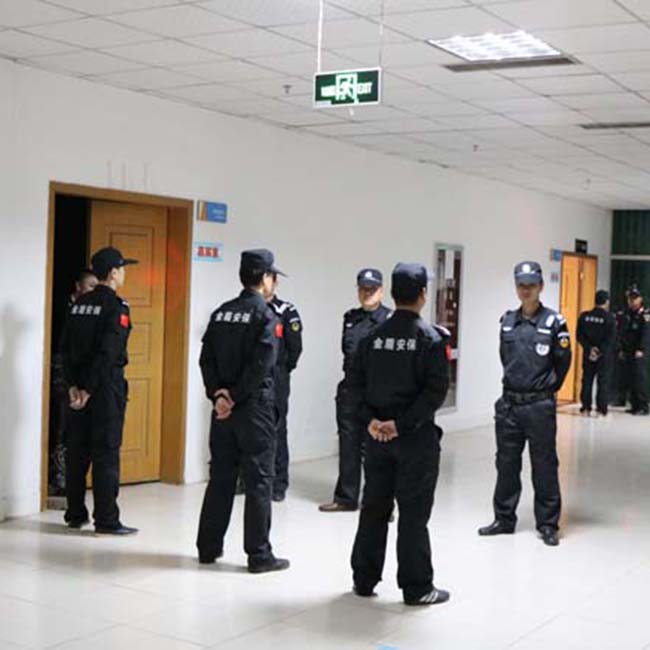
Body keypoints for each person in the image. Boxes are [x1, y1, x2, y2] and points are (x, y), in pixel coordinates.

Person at [349, 263, 450, 606]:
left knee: (373, 508)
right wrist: (401, 424)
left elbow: (354, 387)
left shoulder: (371, 338)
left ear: (392, 294)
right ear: (423, 294)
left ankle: (363, 580)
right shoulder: (431, 339)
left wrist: (372, 422)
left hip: (377, 440)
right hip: (414, 441)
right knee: (413, 514)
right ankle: (417, 587)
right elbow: (435, 393)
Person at [197, 249, 289, 573]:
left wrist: (219, 395)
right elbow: (262, 364)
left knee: (221, 477)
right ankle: (259, 555)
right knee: (259, 480)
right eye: (272, 276)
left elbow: (206, 360)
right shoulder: (266, 315)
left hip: (223, 411)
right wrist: (235, 396)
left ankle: (208, 548)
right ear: (264, 278)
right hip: (254, 410)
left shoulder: (222, 313)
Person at [479, 261, 571, 547]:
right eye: (521, 285)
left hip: (538, 406)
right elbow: (505, 358)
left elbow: (563, 363)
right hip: (509, 404)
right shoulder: (508, 321)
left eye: (531, 285)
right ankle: (504, 519)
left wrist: (545, 388)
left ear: (541, 286)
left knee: (544, 465)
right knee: (506, 464)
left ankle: (548, 524)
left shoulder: (554, 322)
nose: (526, 290)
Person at [61, 248, 138, 535]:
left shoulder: (78, 304)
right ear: (113, 273)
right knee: (106, 453)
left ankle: (75, 514)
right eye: (123, 268)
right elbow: (108, 353)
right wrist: (90, 389)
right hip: (104, 389)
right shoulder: (117, 307)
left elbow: (65, 349)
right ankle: (106, 520)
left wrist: (74, 386)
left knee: (77, 452)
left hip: (77, 391)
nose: (124, 273)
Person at [319, 269, 392, 513]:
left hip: (377, 393)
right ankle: (346, 498)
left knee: (378, 450)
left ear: (381, 291)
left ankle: (381, 503)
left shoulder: (390, 320)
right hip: (351, 391)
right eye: (363, 289)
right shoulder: (350, 318)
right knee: (348, 446)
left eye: (372, 289)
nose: (367, 293)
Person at [49, 269, 98, 497]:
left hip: (84, 378)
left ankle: (68, 479)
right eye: (90, 286)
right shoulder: (64, 309)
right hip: (61, 371)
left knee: (75, 428)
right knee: (61, 424)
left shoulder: (93, 310)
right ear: (78, 286)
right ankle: (59, 478)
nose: (93, 292)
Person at [268, 277, 303, 502]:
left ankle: (278, 483)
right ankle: (247, 478)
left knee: (277, 428)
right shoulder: (248, 309)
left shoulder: (286, 311)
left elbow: (295, 347)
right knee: (248, 429)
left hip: (276, 376)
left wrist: (282, 369)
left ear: (275, 282)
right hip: (250, 378)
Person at [577, 290, 617, 417]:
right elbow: (611, 338)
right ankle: (601, 409)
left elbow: (579, 336)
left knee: (587, 380)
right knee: (603, 381)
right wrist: (600, 350)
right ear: (606, 302)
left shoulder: (584, 316)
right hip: (604, 355)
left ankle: (586, 407)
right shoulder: (610, 318)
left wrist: (590, 348)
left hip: (588, 354)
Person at [618, 285, 650, 415]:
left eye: (635, 298)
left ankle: (643, 406)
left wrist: (641, 349)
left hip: (640, 351)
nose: (632, 301)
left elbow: (646, 334)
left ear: (640, 299)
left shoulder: (645, 315)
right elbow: (623, 333)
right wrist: (621, 349)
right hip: (628, 350)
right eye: (630, 299)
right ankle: (634, 404)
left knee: (639, 379)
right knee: (630, 378)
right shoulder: (626, 314)